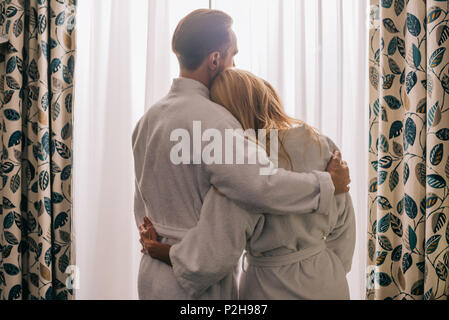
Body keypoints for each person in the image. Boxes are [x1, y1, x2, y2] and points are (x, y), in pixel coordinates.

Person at [133, 9, 350, 300]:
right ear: (214, 60)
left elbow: (141, 203)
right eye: (232, 55)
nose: (234, 64)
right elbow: (261, 185)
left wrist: (155, 244)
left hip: (152, 273)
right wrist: (326, 184)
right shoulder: (216, 121)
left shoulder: (148, 119)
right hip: (196, 281)